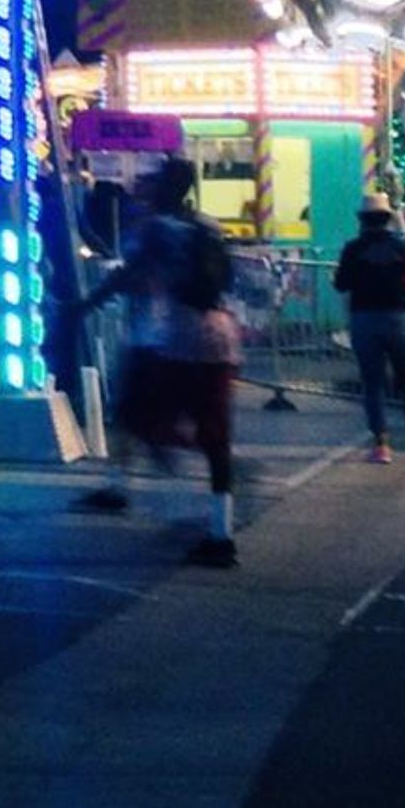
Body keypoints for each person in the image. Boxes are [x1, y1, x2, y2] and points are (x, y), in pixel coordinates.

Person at [85, 157, 242, 566]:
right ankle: (220, 532)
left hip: (177, 337)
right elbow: (225, 279)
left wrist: (81, 307)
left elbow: (125, 277)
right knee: (215, 436)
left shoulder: (155, 230)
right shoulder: (207, 227)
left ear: (164, 188)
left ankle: (158, 462)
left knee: (139, 415)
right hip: (221, 335)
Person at [329, 200, 405, 466]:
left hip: (365, 319)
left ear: (362, 220)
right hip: (398, 318)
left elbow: (341, 284)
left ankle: (381, 446)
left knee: (373, 384)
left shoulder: (353, 249)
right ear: (387, 218)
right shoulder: (399, 247)